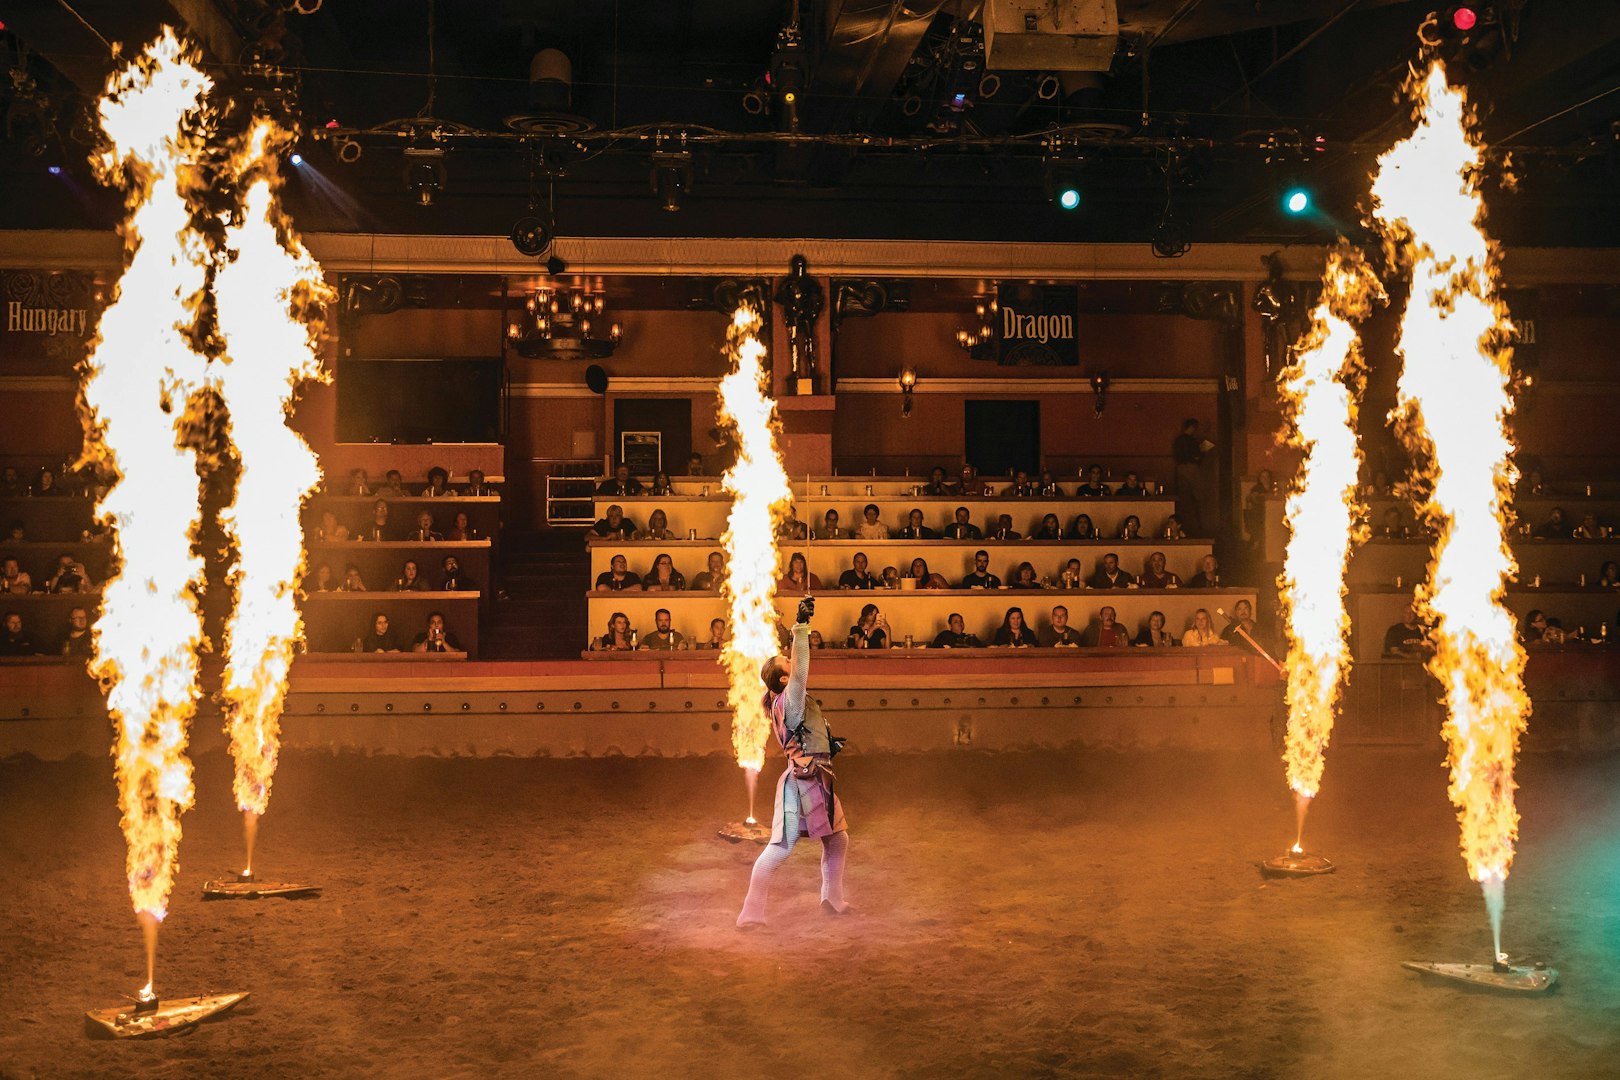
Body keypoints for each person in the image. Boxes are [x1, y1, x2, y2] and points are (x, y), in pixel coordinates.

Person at [737, 596, 851, 927]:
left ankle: (833, 898)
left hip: (816, 779)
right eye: (784, 663)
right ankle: (750, 913)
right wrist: (801, 629)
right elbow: (801, 670)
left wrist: (794, 634)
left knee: (837, 839)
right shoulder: (791, 700)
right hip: (800, 783)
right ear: (784, 681)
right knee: (781, 849)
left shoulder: (782, 699)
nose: (789, 661)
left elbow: (796, 669)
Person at [1172, 418, 1208, 535]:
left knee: (1184, 500)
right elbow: (1196, 456)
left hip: (1180, 468)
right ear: (1192, 427)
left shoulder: (1178, 440)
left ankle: (1184, 527)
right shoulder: (1192, 441)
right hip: (1191, 468)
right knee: (1201, 498)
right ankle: (1203, 528)